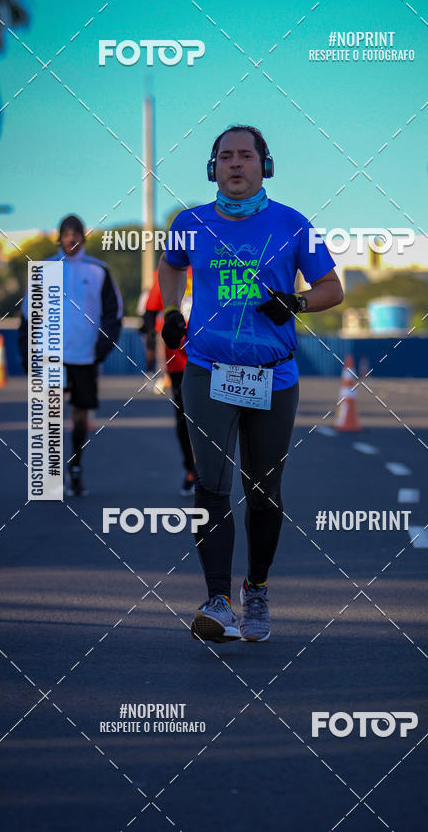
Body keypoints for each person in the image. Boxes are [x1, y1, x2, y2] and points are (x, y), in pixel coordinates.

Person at [158, 124, 343, 643]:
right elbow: (170, 265)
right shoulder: (189, 222)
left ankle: (255, 588)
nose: (235, 164)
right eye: (225, 157)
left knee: (262, 493)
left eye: (246, 156)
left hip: (273, 377)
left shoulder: (293, 224)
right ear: (212, 167)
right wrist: (172, 311)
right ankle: (217, 601)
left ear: (266, 165)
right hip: (208, 370)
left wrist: (298, 302)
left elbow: (333, 288)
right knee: (211, 483)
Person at [18, 214, 123, 496]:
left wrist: (102, 348)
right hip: (49, 355)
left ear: (82, 237)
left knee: (80, 415)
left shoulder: (98, 270)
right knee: (50, 416)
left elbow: (114, 314)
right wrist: (28, 355)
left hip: (85, 357)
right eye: (66, 234)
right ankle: (50, 477)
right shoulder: (44, 269)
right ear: (60, 237)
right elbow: (28, 316)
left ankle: (75, 467)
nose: (71, 239)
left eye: (76, 233)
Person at [144, 268, 197, 495]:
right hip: (178, 360)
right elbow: (149, 311)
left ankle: (213, 472)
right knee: (184, 416)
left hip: (214, 355)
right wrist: (149, 343)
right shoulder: (168, 270)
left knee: (215, 417)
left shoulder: (214, 259)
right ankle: (191, 470)